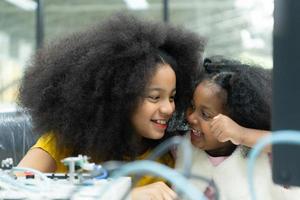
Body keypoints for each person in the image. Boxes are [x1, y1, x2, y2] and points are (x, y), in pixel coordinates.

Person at [18, 13, 205, 199]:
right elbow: (13, 189)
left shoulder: (168, 155)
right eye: (155, 97)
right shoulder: (61, 144)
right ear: (118, 98)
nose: (168, 109)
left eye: (172, 97)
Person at [176, 56, 300, 199]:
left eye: (205, 114)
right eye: (192, 106)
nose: (191, 117)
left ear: (237, 120)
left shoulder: (260, 154)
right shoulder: (181, 146)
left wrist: (241, 134)